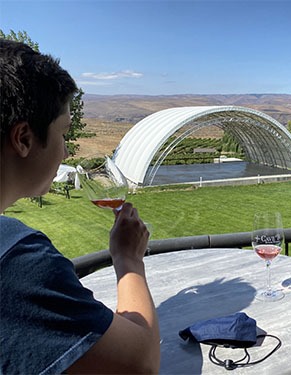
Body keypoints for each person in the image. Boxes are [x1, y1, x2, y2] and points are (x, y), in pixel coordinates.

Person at [0, 39, 160, 373]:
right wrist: (128, 259)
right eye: (64, 133)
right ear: (24, 139)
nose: (67, 152)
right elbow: (140, 363)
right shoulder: (16, 259)